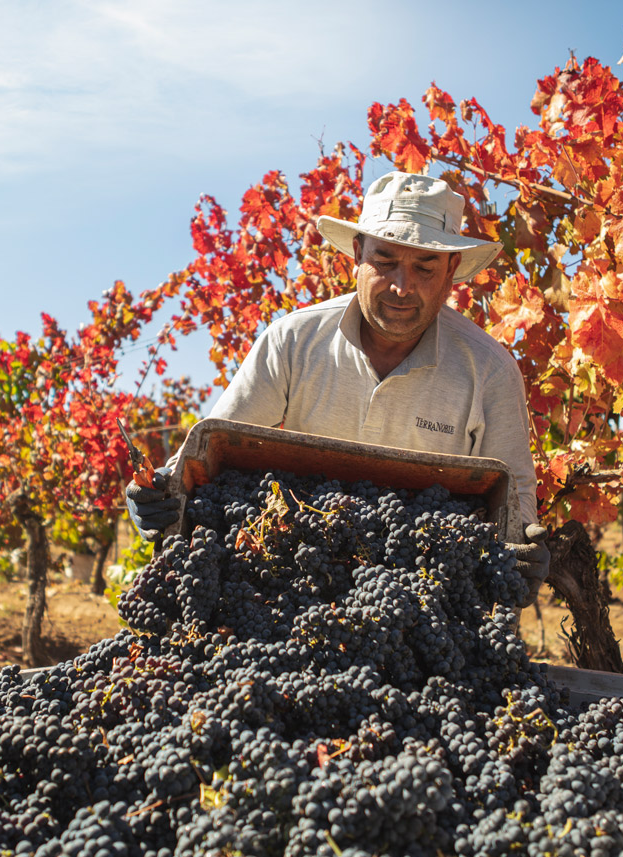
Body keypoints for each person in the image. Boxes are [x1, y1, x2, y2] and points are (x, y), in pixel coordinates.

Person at [128, 171, 550, 604]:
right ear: (356, 253)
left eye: (424, 267)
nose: (402, 287)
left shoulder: (489, 370)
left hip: (418, 598)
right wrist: (157, 493)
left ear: (451, 271)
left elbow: (513, 497)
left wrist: (520, 553)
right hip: (291, 581)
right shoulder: (293, 342)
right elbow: (206, 453)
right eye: (384, 262)